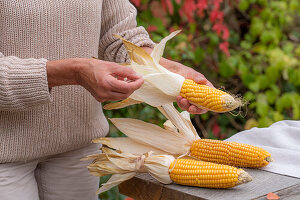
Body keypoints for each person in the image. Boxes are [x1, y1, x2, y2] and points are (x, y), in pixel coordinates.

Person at [0, 0, 214, 200]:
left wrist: (171, 71)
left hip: (78, 148)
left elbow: (119, 38)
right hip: (5, 156)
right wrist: (74, 72)